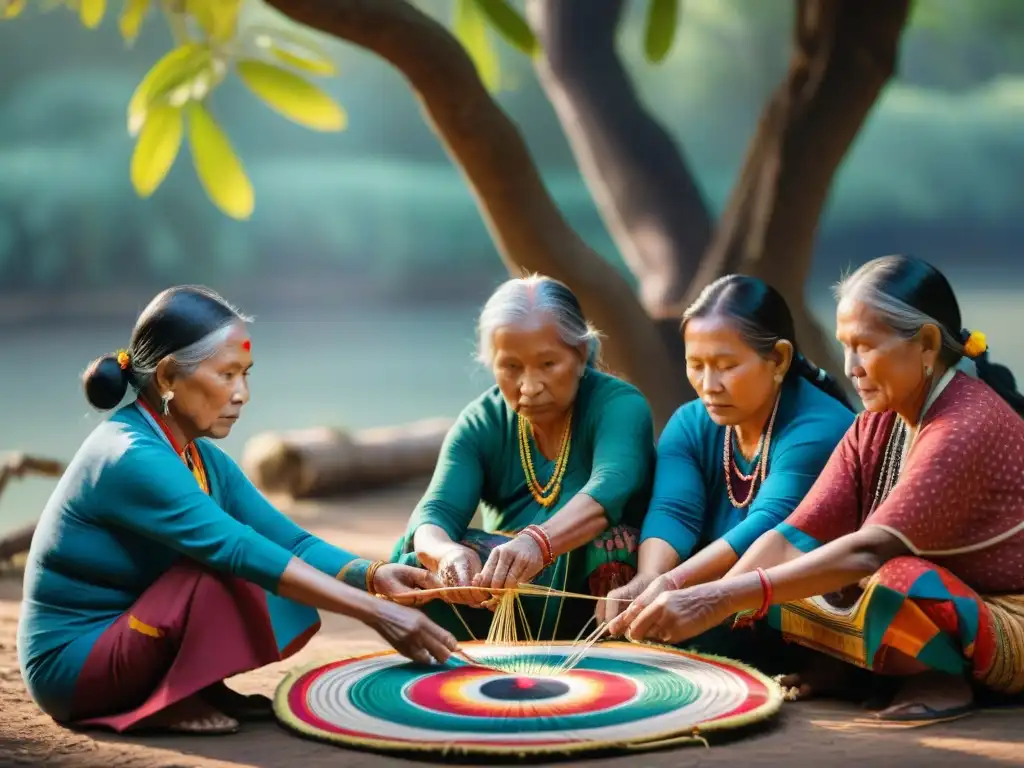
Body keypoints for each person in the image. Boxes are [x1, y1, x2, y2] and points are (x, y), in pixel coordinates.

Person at [18, 286, 457, 737]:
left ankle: (191, 684)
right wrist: (376, 613)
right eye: (227, 375)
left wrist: (374, 576)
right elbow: (236, 547)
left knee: (260, 558)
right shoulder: (131, 455)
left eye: (246, 374)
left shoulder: (198, 457)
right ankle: (165, 697)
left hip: (125, 638)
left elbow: (290, 540)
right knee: (218, 569)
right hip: (72, 669)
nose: (242, 394)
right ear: (168, 377)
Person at [614, 255, 1024, 721]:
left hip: (1008, 615)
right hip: (941, 600)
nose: (850, 367)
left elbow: (869, 553)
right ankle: (851, 670)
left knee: (894, 581)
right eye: (844, 346)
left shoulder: (964, 423)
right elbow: (796, 533)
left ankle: (940, 678)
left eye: (864, 347)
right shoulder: (877, 423)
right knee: (793, 576)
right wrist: (682, 589)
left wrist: (719, 600)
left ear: (927, 343)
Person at [597, 275, 854, 654]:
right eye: (695, 365)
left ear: (778, 359)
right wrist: (650, 578)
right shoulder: (690, 422)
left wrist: (672, 586)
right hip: (711, 593)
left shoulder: (819, 428)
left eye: (725, 366)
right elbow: (674, 511)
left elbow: (769, 525)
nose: (708, 384)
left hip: (784, 601)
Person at [391, 275, 655, 640]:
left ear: (580, 354)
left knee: (607, 546)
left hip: (591, 599)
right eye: (511, 368)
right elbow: (434, 514)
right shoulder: (482, 420)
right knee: (407, 565)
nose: (529, 386)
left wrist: (538, 543)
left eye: (548, 364)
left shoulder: (620, 405)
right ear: (491, 363)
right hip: (506, 595)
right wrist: (446, 555)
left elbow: (610, 487)